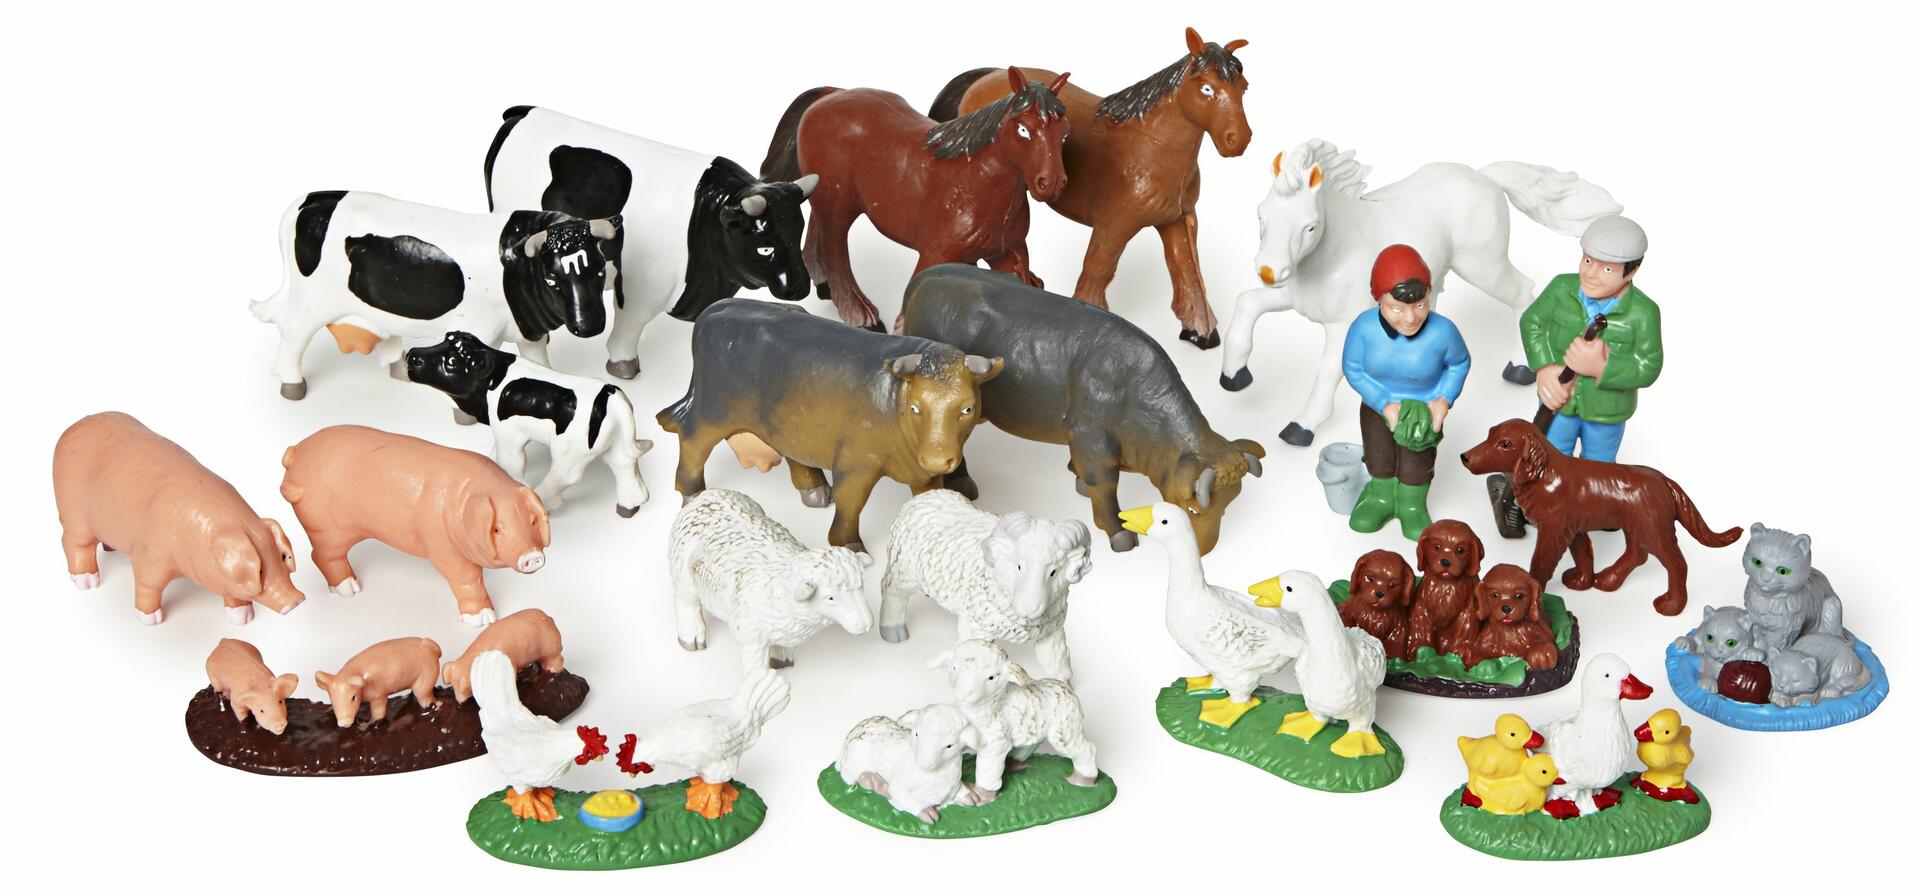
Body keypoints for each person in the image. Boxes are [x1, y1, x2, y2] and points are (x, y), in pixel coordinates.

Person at [1488, 216, 1663, 536]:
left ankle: (1596, 510)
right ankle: (1549, 507)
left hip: (1607, 411)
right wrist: (1544, 368)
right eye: (1587, 261)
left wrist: (1603, 368)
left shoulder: (1643, 313)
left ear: (1631, 271)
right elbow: (1532, 323)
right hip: (1559, 404)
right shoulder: (1561, 289)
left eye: (1607, 269)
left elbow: (1649, 366)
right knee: (1552, 457)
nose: (1591, 273)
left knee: (1599, 464)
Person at [1342, 244, 1470, 540]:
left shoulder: (1444, 332)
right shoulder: (1363, 328)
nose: (1410, 318)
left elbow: (1459, 363)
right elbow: (1353, 368)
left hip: (1423, 408)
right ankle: (1381, 497)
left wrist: (1443, 400)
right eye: (1397, 308)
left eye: (1420, 305)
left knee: (1417, 462)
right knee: (1379, 455)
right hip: (1378, 407)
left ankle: (1413, 505)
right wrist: (1383, 403)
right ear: (1378, 300)